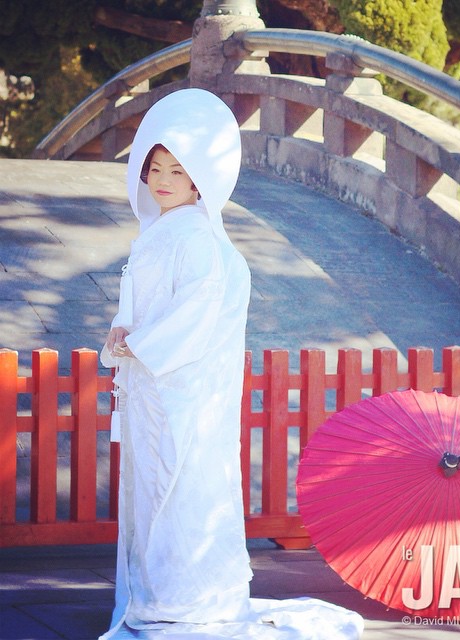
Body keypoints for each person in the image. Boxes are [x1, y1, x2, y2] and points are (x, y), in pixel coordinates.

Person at [99, 88, 363, 639]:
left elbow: (193, 315)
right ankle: (161, 596)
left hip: (183, 393)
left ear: (201, 179)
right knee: (157, 496)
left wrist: (141, 344)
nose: (164, 179)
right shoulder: (158, 235)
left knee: (184, 490)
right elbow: (148, 309)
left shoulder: (197, 238)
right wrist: (127, 332)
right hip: (155, 392)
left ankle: (186, 602)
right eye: (156, 167)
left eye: (179, 169)